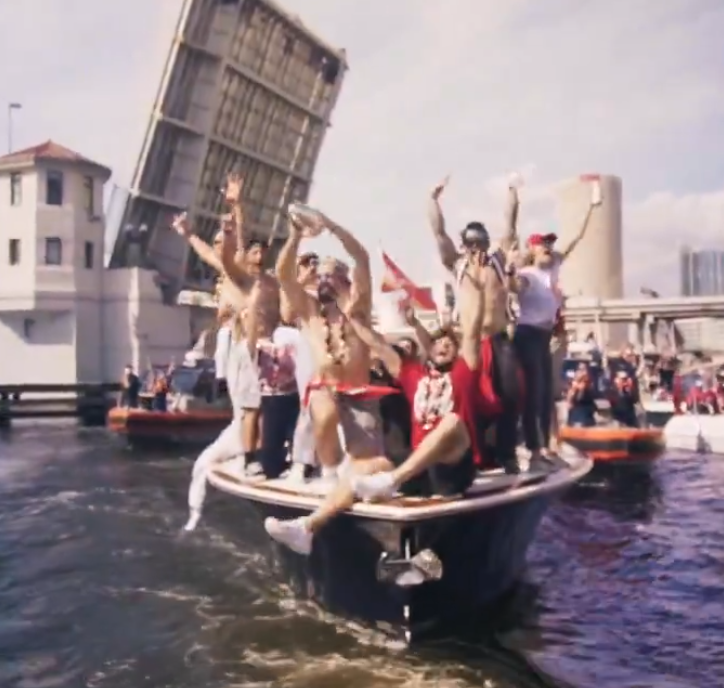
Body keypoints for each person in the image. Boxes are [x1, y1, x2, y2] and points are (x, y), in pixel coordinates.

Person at [263, 266, 485, 555]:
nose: (443, 345)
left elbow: (474, 330)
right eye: (438, 342)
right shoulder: (413, 374)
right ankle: (307, 527)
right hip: (416, 469)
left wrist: (476, 290)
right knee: (365, 471)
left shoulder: (463, 374)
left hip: (452, 466)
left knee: (452, 421)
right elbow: (373, 341)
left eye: (449, 344)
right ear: (428, 349)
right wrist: (348, 309)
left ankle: (390, 481)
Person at [270, 208, 382, 488]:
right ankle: (324, 472)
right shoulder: (310, 312)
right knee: (320, 401)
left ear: (345, 281)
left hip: (359, 397)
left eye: (328, 276)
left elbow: (361, 257)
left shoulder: (358, 309)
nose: (321, 281)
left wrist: (331, 226)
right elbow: (284, 274)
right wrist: (295, 236)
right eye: (318, 277)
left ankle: (350, 476)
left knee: (371, 468)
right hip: (325, 395)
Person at [427, 174, 521, 472]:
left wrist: (512, 192)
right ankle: (473, 453)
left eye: (479, 244)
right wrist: (432, 199)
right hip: (468, 340)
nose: (475, 250)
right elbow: (438, 233)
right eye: (470, 245)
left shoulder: (497, 260)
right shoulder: (458, 264)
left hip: (496, 337)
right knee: (467, 399)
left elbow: (511, 225)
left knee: (511, 393)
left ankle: (506, 454)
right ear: (464, 245)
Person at [506, 183, 600, 464]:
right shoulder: (527, 274)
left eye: (550, 243)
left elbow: (576, 239)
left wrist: (591, 210)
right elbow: (512, 285)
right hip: (527, 334)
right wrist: (510, 271)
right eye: (543, 243)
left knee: (547, 393)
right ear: (531, 249)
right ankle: (535, 449)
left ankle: (546, 446)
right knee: (534, 393)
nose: (548, 246)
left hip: (545, 335)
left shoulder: (553, 266)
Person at [184, 272, 264, 531]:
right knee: (201, 465)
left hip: (247, 425)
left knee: (206, 463)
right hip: (237, 422)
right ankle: (194, 517)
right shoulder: (224, 337)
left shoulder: (248, 341)